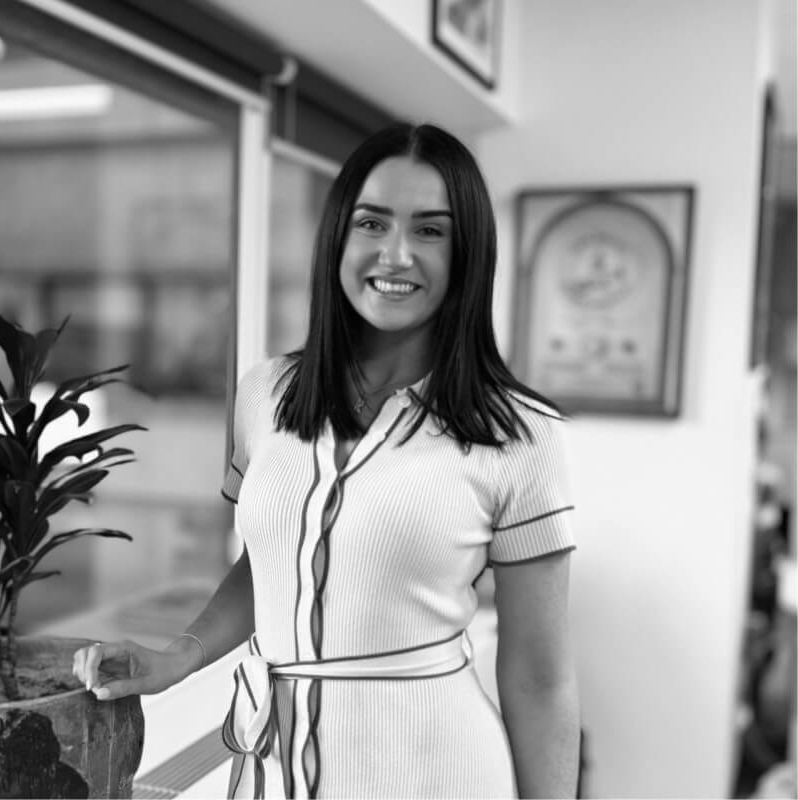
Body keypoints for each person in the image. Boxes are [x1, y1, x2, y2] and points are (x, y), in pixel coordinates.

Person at [73, 122, 580, 799]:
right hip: (271, 766)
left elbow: (540, 678)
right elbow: (274, 560)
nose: (395, 254)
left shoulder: (521, 434)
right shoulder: (267, 393)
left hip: (435, 771)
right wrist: (180, 656)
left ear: (468, 254)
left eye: (431, 231)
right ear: (338, 235)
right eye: (373, 223)